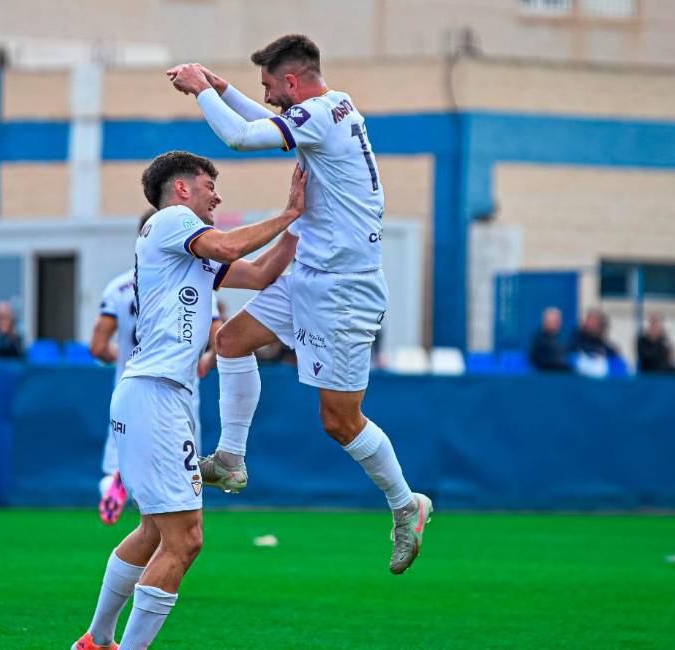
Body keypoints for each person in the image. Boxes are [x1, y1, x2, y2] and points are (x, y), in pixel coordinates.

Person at [167, 34, 432, 575]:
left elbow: (243, 138)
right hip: (312, 273)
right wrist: (226, 88)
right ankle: (233, 459)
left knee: (339, 421)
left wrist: (201, 92)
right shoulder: (334, 106)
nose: (265, 97)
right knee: (231, 340)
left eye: (268, 87)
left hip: (343, 288)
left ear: (292, 81)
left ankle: (407, 504)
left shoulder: (319, 115)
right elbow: (267, 124)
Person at [71, 151, 305, 650]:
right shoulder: (171, 221)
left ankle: (96, 640)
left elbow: (261, 274)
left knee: (155, 531)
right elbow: (227, 245)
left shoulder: (188, 253)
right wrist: (287, 212)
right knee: (186, 538)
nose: (216, 194)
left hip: (153, 395)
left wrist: (305, 224)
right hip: (155, 394)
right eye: (209, 184)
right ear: (181, 189)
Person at [88, 210, 223, 526]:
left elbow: (96, 345)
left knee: (118, 465)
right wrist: (205, 360)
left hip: (130, 385)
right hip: (177, 388)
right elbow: (221, 338)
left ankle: (114, 486)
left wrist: (123, 354)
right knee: (180, 479)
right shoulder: (198, 281)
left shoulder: (118, 288)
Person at [570, 309, 622, 377]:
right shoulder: (575, 344)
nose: (589, 324)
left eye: (593, 322)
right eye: (588, 321)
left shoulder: (609, 352)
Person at [529, 307, 571, 372]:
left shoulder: (561, 338)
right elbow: (536, 360)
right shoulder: (538, 339)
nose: (558, 324)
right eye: (555, 321)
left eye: (558, 321)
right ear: (546, 321)